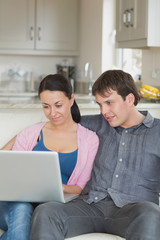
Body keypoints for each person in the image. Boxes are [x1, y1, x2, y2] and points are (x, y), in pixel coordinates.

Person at [29, 69, 160, 240]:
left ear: (130, 99)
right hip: (90, 206)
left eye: (109, 103)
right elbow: (50, 127)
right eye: (100, 104)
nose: (104, 111)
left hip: (133, 212)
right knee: (46, 211)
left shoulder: (157, 131)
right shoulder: (94, 124)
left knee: (150, 213)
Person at [0, 74, 99, 240]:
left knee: (32, 219)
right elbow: (13, 176)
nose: (52, 113)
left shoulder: (89, 140)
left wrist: (53, 187)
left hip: (51, 206)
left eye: (58, 105)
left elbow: (80, 188)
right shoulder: (30, 134)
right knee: (22, 209)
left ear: (71, 99)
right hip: (15, 203)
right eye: (46, 106)